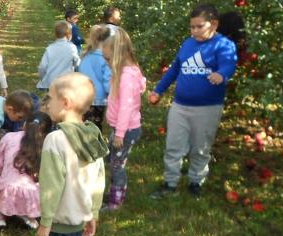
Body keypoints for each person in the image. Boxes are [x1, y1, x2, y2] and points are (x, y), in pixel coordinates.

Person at [148, 3, 237, 198]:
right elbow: (174, 69)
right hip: (180, 106)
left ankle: (196, 182)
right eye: (192, 27)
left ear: (213, 24)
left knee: (201, 148)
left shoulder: (223, 45)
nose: (194, 30)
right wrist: (158, 90)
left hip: (207, 109)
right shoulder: (188, 44)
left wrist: (221, 74)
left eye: (199, 26)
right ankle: (170, 184)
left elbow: (229, 64)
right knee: (173, 146)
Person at [38, 73, 107, 236]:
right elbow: (99, 180)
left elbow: (50, 185)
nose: (48, 104)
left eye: (51, 99)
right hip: (78, 219)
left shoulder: (56, 140)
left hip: (58, 221)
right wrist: (94, 213)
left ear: (65, 102)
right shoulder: (92, 136)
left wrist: (46, 221)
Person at [0, 112, 53, 230]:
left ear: (24, 124)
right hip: (33, 195)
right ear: (46, 132)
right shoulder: (47, 145)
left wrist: (5, 174)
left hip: (6, 190)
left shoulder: (9, 137)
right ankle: (25, 215)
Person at [101, 29, 145, 210]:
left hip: (125, 130)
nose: (106, 62)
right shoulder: (129, 72)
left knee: (117, 165)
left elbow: (126, 108)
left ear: (118, 56)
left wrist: (119, 134)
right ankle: (113, 191)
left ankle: (116, 201)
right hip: (121, 129)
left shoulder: (126, 77)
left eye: (108, 59)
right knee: (112, 159)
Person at [78, 24, 113, 131]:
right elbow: (107, 81)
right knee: (96, 126)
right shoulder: (105, 59)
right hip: (98, 98)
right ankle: (94, 145)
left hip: (83, 96)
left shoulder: (85, 55)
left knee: (85, 123)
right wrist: (112, 94)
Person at [37, 21, 79, 91]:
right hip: (66, 82)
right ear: (69, 34)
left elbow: (43, 67)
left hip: (51, 82)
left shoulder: (50, 49)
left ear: (55, 34)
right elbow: (77, 62)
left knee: (51, 100)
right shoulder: (72, 47)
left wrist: (43, 78)